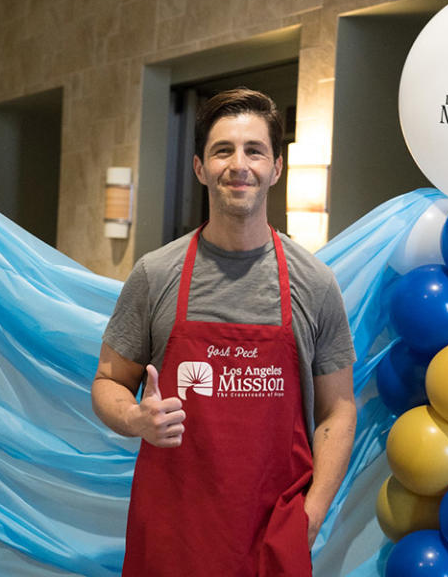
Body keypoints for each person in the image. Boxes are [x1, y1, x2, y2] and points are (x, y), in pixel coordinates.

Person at [91, 88, 356, 577]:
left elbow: (338, 409)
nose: (239, 164)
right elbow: (108, 380)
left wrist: (312, 513)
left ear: (277, 167)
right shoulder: (156, 274)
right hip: (173, 533)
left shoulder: (314, 282)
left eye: (254, 150)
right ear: (199, 168)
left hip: (273, 538)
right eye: (223, 150)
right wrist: (136, 419)